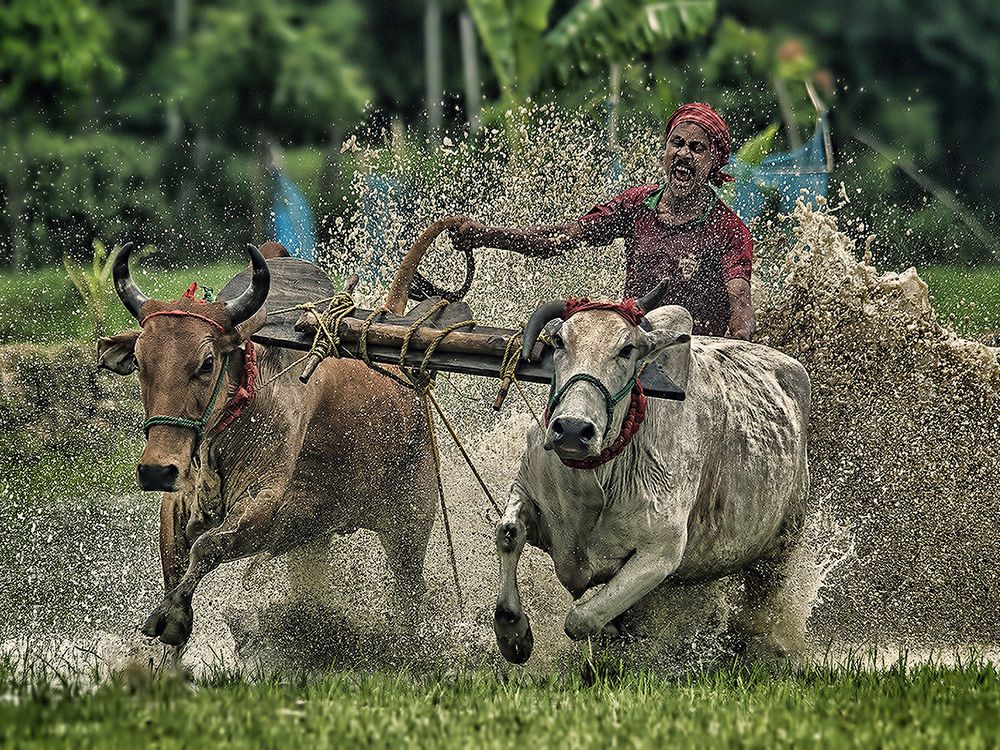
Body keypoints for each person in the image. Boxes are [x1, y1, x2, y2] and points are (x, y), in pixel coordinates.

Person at [449, 103, 756, 340]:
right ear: (665, 152)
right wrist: (484, 235)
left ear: (714, 161)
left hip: (690, 357)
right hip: (633, 345)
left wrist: (741, 338)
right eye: (676, 143)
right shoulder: (636, 205)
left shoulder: (729, 229)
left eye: (697, 148)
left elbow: (739, 297)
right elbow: (560, 239)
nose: (683, 154)